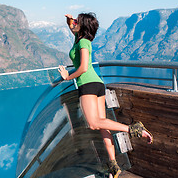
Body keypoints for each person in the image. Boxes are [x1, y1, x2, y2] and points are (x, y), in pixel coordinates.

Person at [58, 13, 153, 178]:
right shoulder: (80, 39)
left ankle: (133, 129)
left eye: (77, 21)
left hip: (87, 84)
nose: (74, 23)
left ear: (83, 25)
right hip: (97, 84)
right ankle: (114, 167)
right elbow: (73, 29)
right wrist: (70, 21)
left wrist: (67, 77)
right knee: (103, 127)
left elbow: (83, 68)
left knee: (94, 123)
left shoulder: (84, 42)